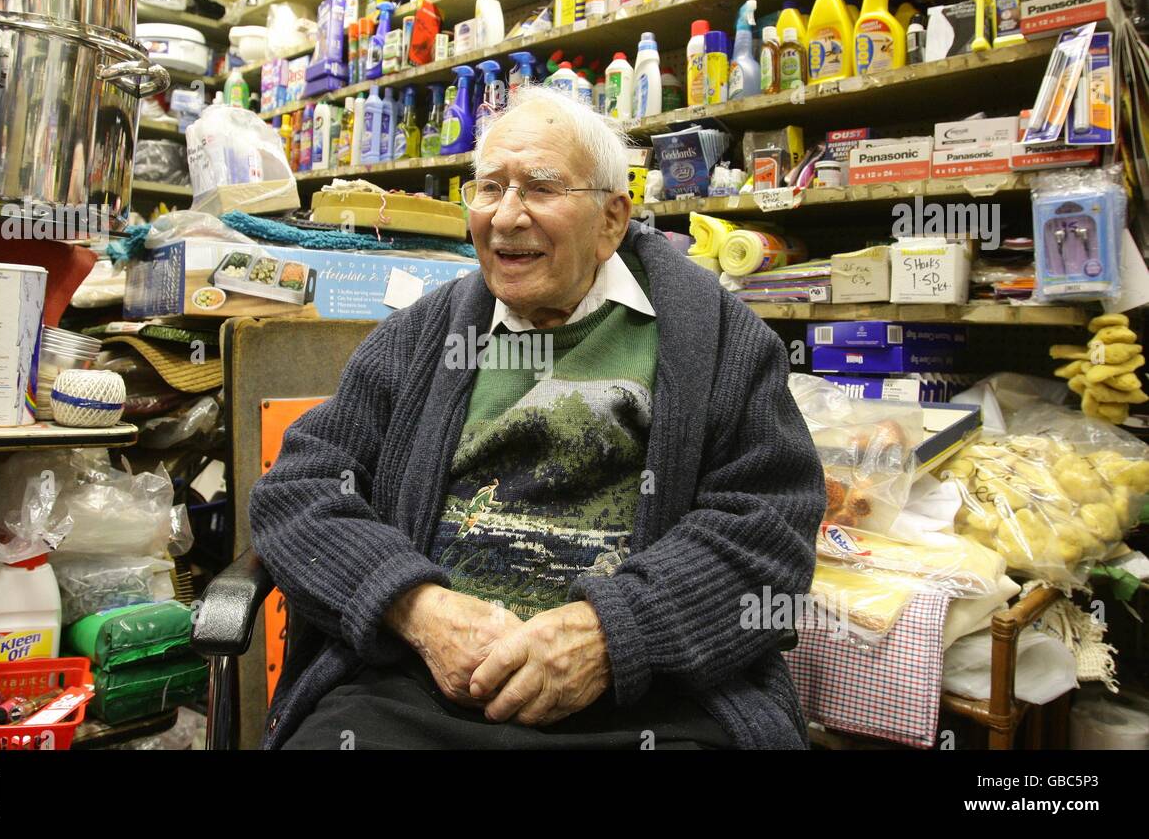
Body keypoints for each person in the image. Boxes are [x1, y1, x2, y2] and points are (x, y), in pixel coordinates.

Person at [250, 85, 825, 750]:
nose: (506, 217)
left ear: (612, 219)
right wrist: (417, 608)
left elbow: (769, 527)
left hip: (648, 696)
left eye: (540, 189)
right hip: (419, 687)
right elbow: (299, 491)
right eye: (489, 189)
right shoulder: (416, 339)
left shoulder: (718, 339)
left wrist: (613, 636)